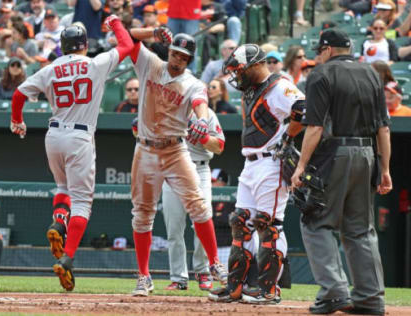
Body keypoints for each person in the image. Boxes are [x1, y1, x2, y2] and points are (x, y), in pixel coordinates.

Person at [10, 17, 133, 292]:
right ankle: (67, 258)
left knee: (63, 187)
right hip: (80, 136)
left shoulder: (51, 68)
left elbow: (18, 95)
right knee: (82, 204)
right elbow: (127, 44)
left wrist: (17, 121)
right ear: (85, 45)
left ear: (63, 46)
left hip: (53, 135)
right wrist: (114, 23)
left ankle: (59, 221)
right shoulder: (95, 63)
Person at [291, 28, 392, 315]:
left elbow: (315, 127)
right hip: (367, 154)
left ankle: (334, 291)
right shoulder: (372, 73)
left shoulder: (320, 75)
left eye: (319, 51)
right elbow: (384, 128)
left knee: (315, 222)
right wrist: (384, 168)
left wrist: (300, 166)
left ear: (327, 50)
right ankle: (371, 298)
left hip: (334, 154)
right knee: (360, 229)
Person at [126, 29, 228, 297]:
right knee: (143, 213)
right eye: (175, 53)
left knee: (198, 206)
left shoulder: (193, 83)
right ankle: (144, 275)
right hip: (146, 149)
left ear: (189, 59)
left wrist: (203, 121)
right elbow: (127, 38)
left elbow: (200, 102)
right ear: (168, 51)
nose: (177, 59)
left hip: (175, 150)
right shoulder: (151, 64)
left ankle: (214, 265)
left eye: (183, 56)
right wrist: (151, 32)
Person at [209, 44, 305, 304]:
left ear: (255, 65)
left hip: (272, 162)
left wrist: (288, 137)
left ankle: (268, 290)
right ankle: (235, 287)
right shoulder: (251, 90)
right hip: (250, 163)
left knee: (268, 225)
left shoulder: (279, 85)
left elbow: (303, 108)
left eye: (240, 70)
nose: (237, 75)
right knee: (240, 222)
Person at [162, 108, 225, 291]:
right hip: (173, 171)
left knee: (202, 221)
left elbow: (219, 147)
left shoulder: (207, 115)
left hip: (200, 169)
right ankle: (178, 278)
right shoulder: (168, 111)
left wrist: (202, 137)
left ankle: (203, 271)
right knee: (174, 228)